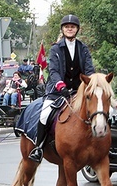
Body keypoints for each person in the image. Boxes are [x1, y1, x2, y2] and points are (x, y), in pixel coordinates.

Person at [28, 14, 95, 163]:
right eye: (67, 27)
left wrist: (91, 82)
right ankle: (38, 147)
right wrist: (61, 86)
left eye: (72, 27)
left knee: (100, 110)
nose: (69, 29)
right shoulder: (56, 49)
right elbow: (54, 71)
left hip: (79, 91)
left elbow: (89, 69)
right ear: (63, 29)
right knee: (45, 113)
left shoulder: (83, 48)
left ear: (77, 29)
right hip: (58, 91)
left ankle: (104, 147)